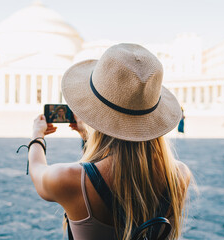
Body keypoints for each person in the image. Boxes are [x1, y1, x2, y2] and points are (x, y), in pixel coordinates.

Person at [27, 44, 191, 239]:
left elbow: (37, 171)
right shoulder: (180, 174)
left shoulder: (70, 178)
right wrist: (89, 138)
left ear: (94, 115)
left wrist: (37, 137)